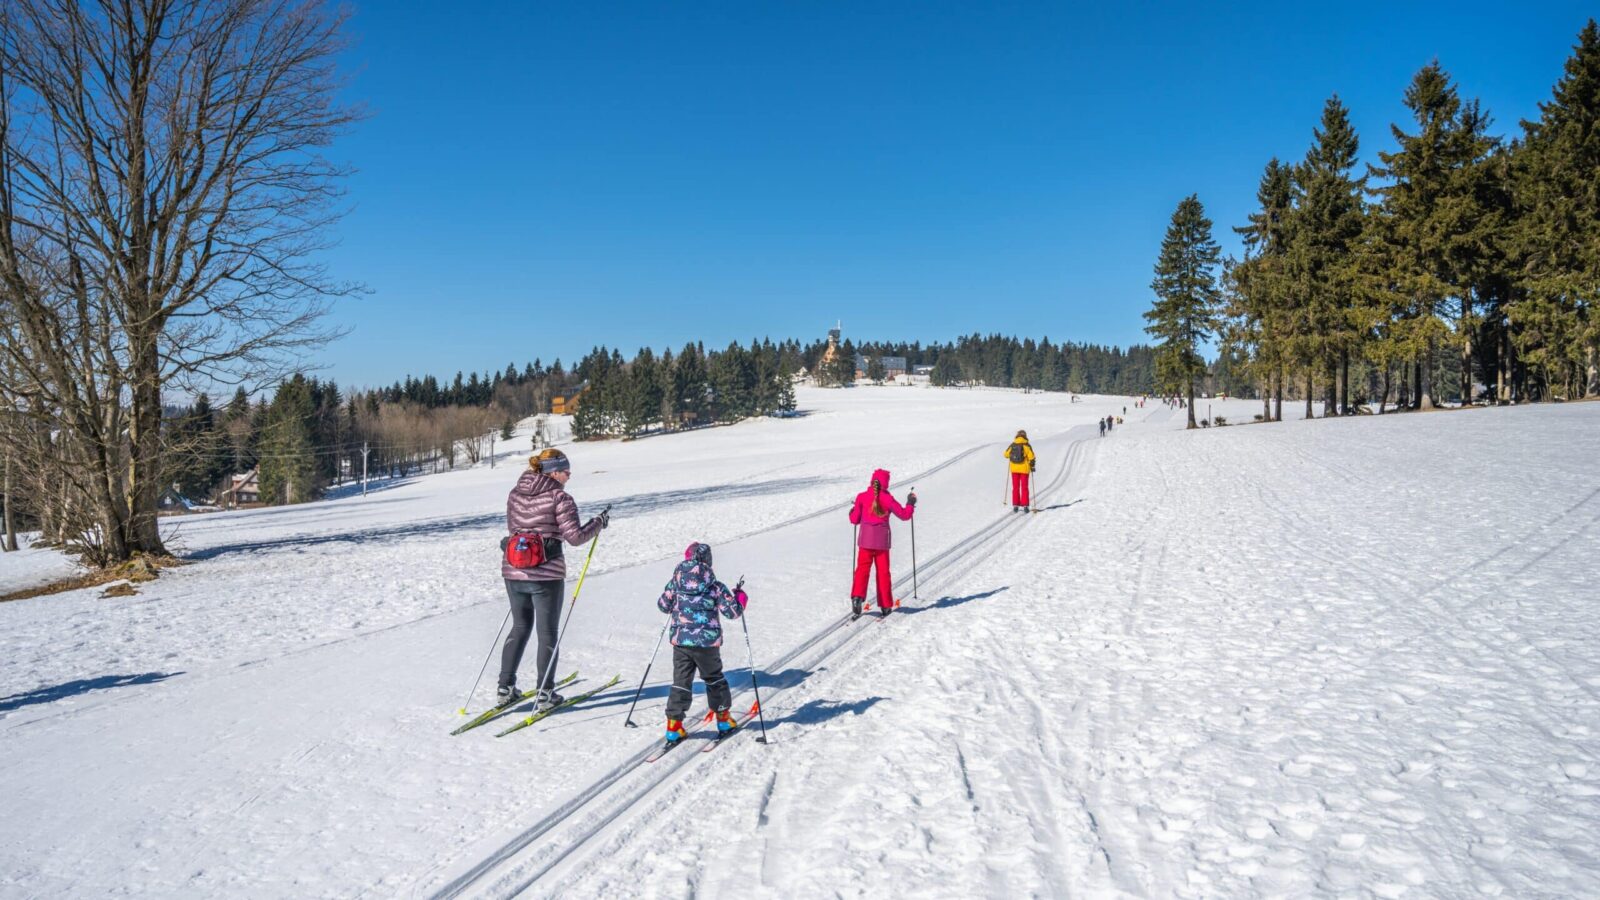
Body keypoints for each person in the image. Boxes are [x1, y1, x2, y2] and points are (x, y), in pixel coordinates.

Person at [497, 448, 608, 709]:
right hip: (546, 574)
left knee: (519, 627)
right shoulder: (560, 498)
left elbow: (515, 529)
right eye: (566, 471)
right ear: (553, 472)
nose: (569, 476)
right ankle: (545, 693)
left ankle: (505, 688)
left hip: (514, 570)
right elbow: (575, 537)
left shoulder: (515, 493)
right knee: (547, 633)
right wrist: (598, 523)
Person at [658, 542, 747, 746]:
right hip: (707, 643)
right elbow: (733, 611)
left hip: (681, 642)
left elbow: (663, 605)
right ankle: (723, 720)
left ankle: (674, 726)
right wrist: (740, 597)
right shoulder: (715, 586)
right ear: (708, 561)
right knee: (714, 679)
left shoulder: (675, 583)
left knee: (681, 682)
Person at [848, 469, 915, 617]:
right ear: (886, 483)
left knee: (862, 570)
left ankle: (857, 597)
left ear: (872, 481)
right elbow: (904, 515)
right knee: (883, 573)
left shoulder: (862, 497)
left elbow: (854, 519)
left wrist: (852, 512)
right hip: (882, 544)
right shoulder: (888, 499)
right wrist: (910, 503)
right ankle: (885, 605)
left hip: (865, 542)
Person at [1004, 430, 1036, 512]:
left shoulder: (1013, 444)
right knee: (1024, 487)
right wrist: (1032, 465)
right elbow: (1032, 457)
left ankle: (1015, 505)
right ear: (1025, 436)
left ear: (1017, 435)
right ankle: (1025, 505)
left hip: (1014, 469)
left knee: (1015, 487)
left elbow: (1005, 454)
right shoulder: (1027, 445)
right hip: (1024, 470)